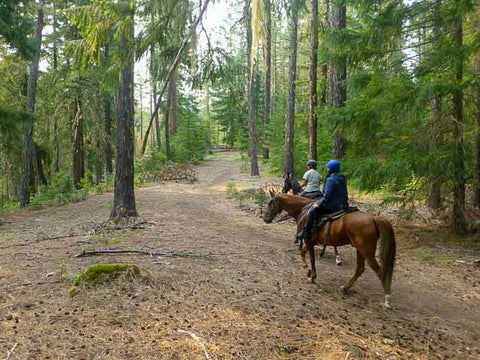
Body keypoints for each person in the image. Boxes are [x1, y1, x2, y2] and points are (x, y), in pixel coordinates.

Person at [297, 159, 349, 241]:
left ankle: (306, 233)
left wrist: (318, 204)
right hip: (343, 204)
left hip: (332, 205)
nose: (327, 169)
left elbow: (327, 196)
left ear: (331, 168)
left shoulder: (330, 180)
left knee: (312, 211)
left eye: (328, 168)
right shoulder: (342, 178)